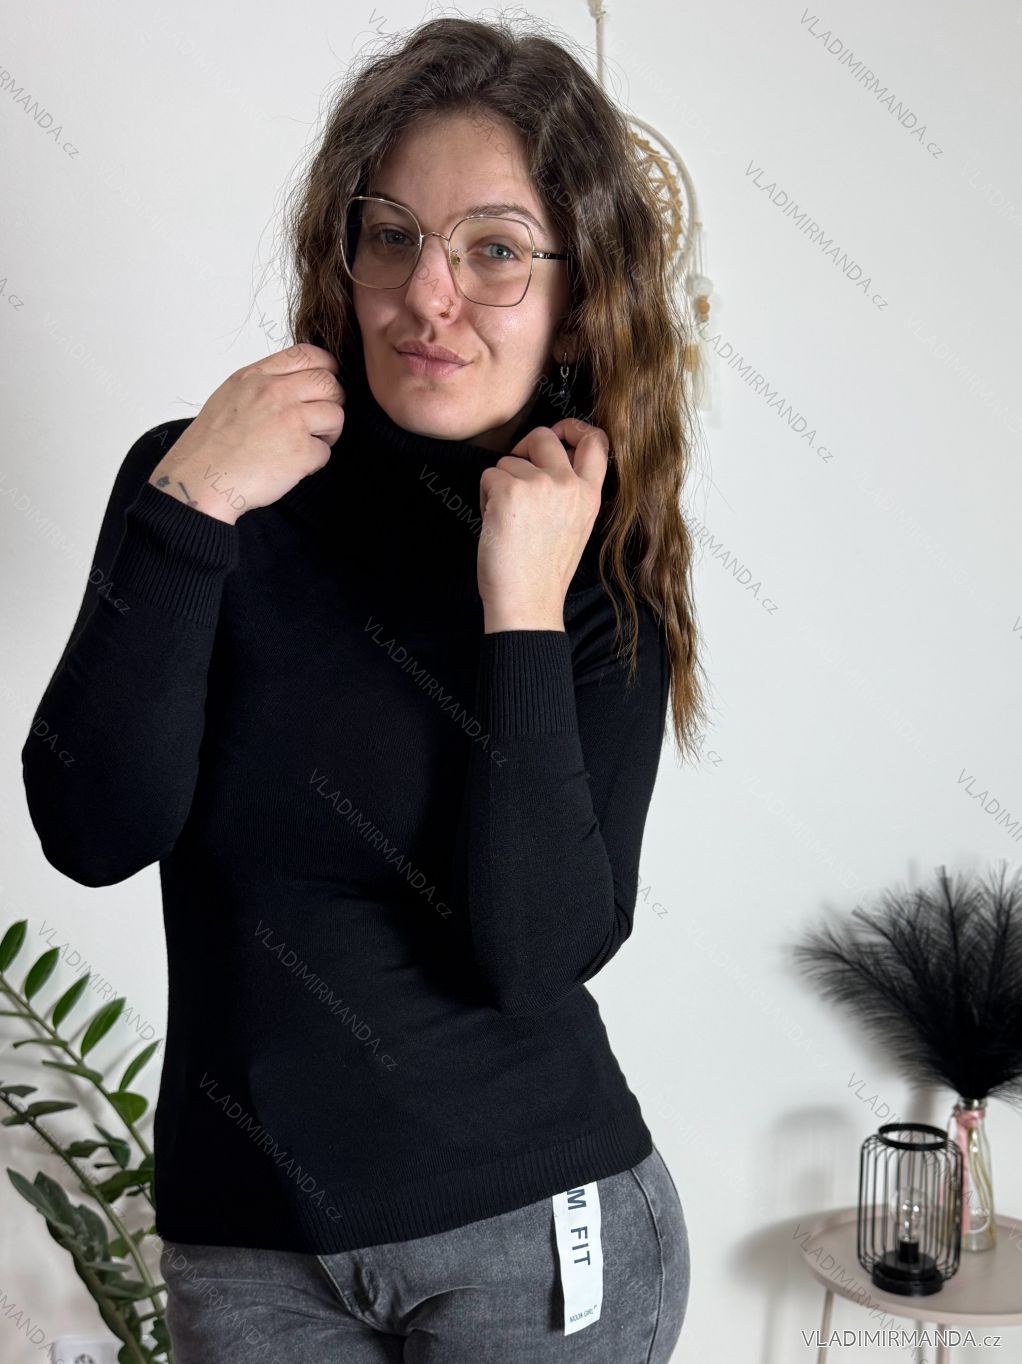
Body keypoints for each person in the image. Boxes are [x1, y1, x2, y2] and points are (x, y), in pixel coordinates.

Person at [21, 14, 708, 1362]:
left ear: (578, 295)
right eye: (391, 235)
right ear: (341, 252)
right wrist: (188, 508)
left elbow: (536, 951)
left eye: (494, 250)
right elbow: (91, 830)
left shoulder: (593, 564)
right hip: (244, 1253)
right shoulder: (208, 484)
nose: (427, 295)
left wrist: (519, 608)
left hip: (528, 1236)